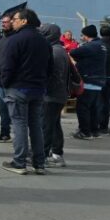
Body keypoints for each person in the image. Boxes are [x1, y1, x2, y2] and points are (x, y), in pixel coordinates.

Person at [0, 8, 52, 175]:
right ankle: (39, 163)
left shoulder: (15, 40)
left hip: (18, 88)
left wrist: (6, 84)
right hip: (37, 88)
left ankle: (19, 162)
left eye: (15, 19)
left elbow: (7, 66)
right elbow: (50, 66)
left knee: (19, 125)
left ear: (24, 21)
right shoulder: (44, 41)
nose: (12, 21)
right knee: (35, 125)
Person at [39, 23, 72, 168]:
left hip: (51, 96)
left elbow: (53, 76)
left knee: (46, 125)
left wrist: (44, 90)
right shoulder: (59, 49)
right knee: (54, 124)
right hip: (59, 95)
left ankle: (43, 156)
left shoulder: (54, 52)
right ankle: (57, 154)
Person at [70, 25, 107, 139]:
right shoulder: (102, 45)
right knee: (93, 108)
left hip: (89, 80)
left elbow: (73, 52)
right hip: (99, 81)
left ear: (86, 35)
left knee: (83, 107)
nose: (81, 37)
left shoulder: (90, 46)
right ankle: (94, 130)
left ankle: (85, 132)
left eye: (82, 35)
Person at [0, 9, 19, 143]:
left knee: (14, 113)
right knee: (2, 110)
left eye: (6, 22)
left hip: (10, 83)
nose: (3, 24)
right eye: (2, 22)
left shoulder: (16, 38)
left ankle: (19, 137)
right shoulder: (4, 38)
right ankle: (4, 133)